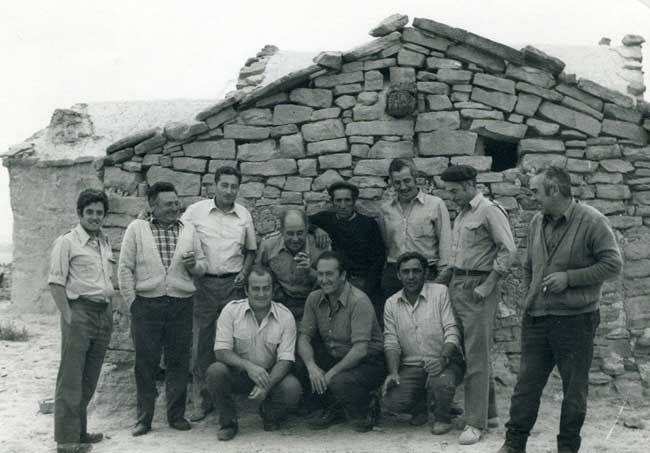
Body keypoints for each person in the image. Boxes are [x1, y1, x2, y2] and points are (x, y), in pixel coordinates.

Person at [498, 167, 622, 453]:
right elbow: (529, 265)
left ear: (554, 191)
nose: (531, 198)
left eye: (535, 192)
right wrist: (529, 299)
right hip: (538, 319)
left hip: (576, 321)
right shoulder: (535, 222)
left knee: (574, 392)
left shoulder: (592, 221)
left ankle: (567, 448)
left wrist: (570, 278)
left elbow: (613, 265)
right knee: (525, 387)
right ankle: (514, 444)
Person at [118, 182, 208, 436]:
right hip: (147, 305)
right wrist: (132, 302)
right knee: (145, 364)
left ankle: (176, 416)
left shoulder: (189, 229)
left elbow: (202, 266)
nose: (174, 208)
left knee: (179, 362)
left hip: (181, 304)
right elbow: (124, 268)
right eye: (167, 204)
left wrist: (193, 266)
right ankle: (144, 418)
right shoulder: (137, 229)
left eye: (176, 202)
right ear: (153, 206)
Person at [439, 164, 517, 446]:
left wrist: (488, 284)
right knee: (474, 351)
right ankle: (491, 414)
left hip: (479, 287)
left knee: (476, 356)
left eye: (455, 191)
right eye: (448, 192)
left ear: (471, 184)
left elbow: (508, 250)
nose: (451, 196)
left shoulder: (489, 210)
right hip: (459, 283)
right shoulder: (462, 213)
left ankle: (474, 424)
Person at [180, 165, 257, 421]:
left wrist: (245, 273)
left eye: (234, 186)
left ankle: (229, 396)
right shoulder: (195, 212)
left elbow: (251, 251)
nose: (229, 191)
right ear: (214, 185)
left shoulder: (244, 215)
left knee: (233, 341)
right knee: (202, 342)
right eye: (224, 185)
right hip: (203, 285)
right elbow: (178, 232)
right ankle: (201, 399)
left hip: (232, 286)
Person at [48, 189, 114, 453]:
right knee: (71, 377)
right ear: (79, 214)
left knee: (89, 376)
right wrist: (69, 316)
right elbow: (55, 283)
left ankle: (80, 433)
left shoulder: (104, 242)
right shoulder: (66, 242)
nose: (95, 217)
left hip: (102, 312)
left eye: (99, 213)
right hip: (79, 312)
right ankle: (66, 441)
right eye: (90, 212)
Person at [206, 265, 301, 441]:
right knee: (215, 371)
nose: (261, 294)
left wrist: (267, 384)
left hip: (269, 376)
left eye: (266, 288)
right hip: (239, 374)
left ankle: (269, 413)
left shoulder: (285, 316)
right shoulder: (231, 311)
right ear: (246, 290)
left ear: (273, 289)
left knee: (292, 388)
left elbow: (286, 359)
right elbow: (220, 351)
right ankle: (228, 422)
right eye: (255, 288)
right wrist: (248, 366)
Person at [297, 251, 385, 432]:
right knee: (299, 363)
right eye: (320, 274)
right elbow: (304, 337)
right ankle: (335, 406)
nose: (323, 279)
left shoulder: (358, 300)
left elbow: (360, 350)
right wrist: (311, 366)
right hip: (336, 354)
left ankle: (368, 404)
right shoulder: (314, 298)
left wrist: (329, 375)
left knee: (338, 381)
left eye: (329, 274)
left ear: (343, 275)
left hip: (368, 361)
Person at [382, 252, 464, 435]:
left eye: (416, 271)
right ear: (398, 275)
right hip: (412, 366)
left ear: (426, 273)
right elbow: (391, 341)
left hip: (445, 361)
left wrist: (442, 360)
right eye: (405, 272)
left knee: (441, 382)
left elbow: (452, 330)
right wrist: (394, 372)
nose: (411, 276)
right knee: (392, 400)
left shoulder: (440, 292)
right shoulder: (391, 303)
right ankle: (421, 407)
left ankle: (443, 416)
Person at [379, 159, 452, 312]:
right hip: (395, 275)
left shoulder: (435, 204)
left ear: (416, 179)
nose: (403, 187)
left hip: (427, 274)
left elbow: (445, 243)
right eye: (397, 183)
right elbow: (385, 244)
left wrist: (441, 279)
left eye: (407, 181)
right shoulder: (385, 209)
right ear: (391, 182)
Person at [309, 181, 386, 315]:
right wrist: (316, 229)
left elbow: (378, 259)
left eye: (347, 200)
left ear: (354, 201)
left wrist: (368, 288)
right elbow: (301, 220)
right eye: (338, 200)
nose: (342, 205)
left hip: (360, 281)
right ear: (332, 202)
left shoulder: (368, 224)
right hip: (334, 280)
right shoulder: (326, 219)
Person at [256, 209, 328, 320]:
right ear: (281, 230)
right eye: (290, 233)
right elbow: (259, 273)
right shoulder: (268, 246)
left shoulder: (320, 248)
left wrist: (311, 272)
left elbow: (331, 283)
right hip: (280, 302)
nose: (295, 239)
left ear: (307, 229)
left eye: (300, 233)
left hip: (313, 303)